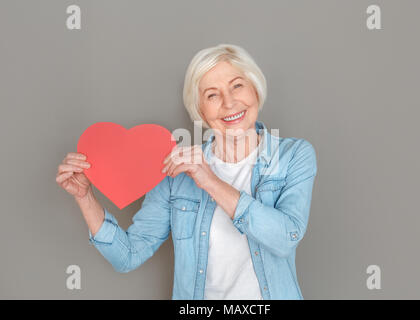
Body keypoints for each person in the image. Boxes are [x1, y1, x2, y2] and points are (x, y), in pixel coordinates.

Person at [55, 44, 317, 299]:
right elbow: (128, 256)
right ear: (200, 110)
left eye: (237, 85)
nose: (229, 103)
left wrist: (211, 181)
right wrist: (84, 197)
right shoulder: (176, 171)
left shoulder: (293, 155)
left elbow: (286, 238)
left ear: (256, 90)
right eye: (212, 95)